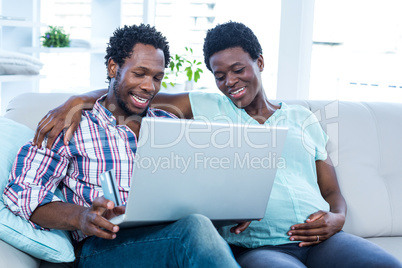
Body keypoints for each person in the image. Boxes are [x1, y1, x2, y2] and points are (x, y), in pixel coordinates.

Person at [30, 22, 402, 268]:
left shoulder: (301, 119)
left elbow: (331, 191)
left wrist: (335, 218)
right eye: (219, 75)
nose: (229, 81)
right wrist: (76, 100)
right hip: (250, 245)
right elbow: (130, 94)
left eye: (238, 69)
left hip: (311, 238)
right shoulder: (202, 108)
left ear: (259, 62)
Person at [2, 24, 240, 268]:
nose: (150, 86)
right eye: (140, 74)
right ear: (113, 67)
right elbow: (22, 192)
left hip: (169, 236)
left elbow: (196, 188)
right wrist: (82, 217)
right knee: (194, 228)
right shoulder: (72, 125)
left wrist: (230, 209)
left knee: (196, 226)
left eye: (157, 78)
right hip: (103, 246)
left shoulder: (171, 125)